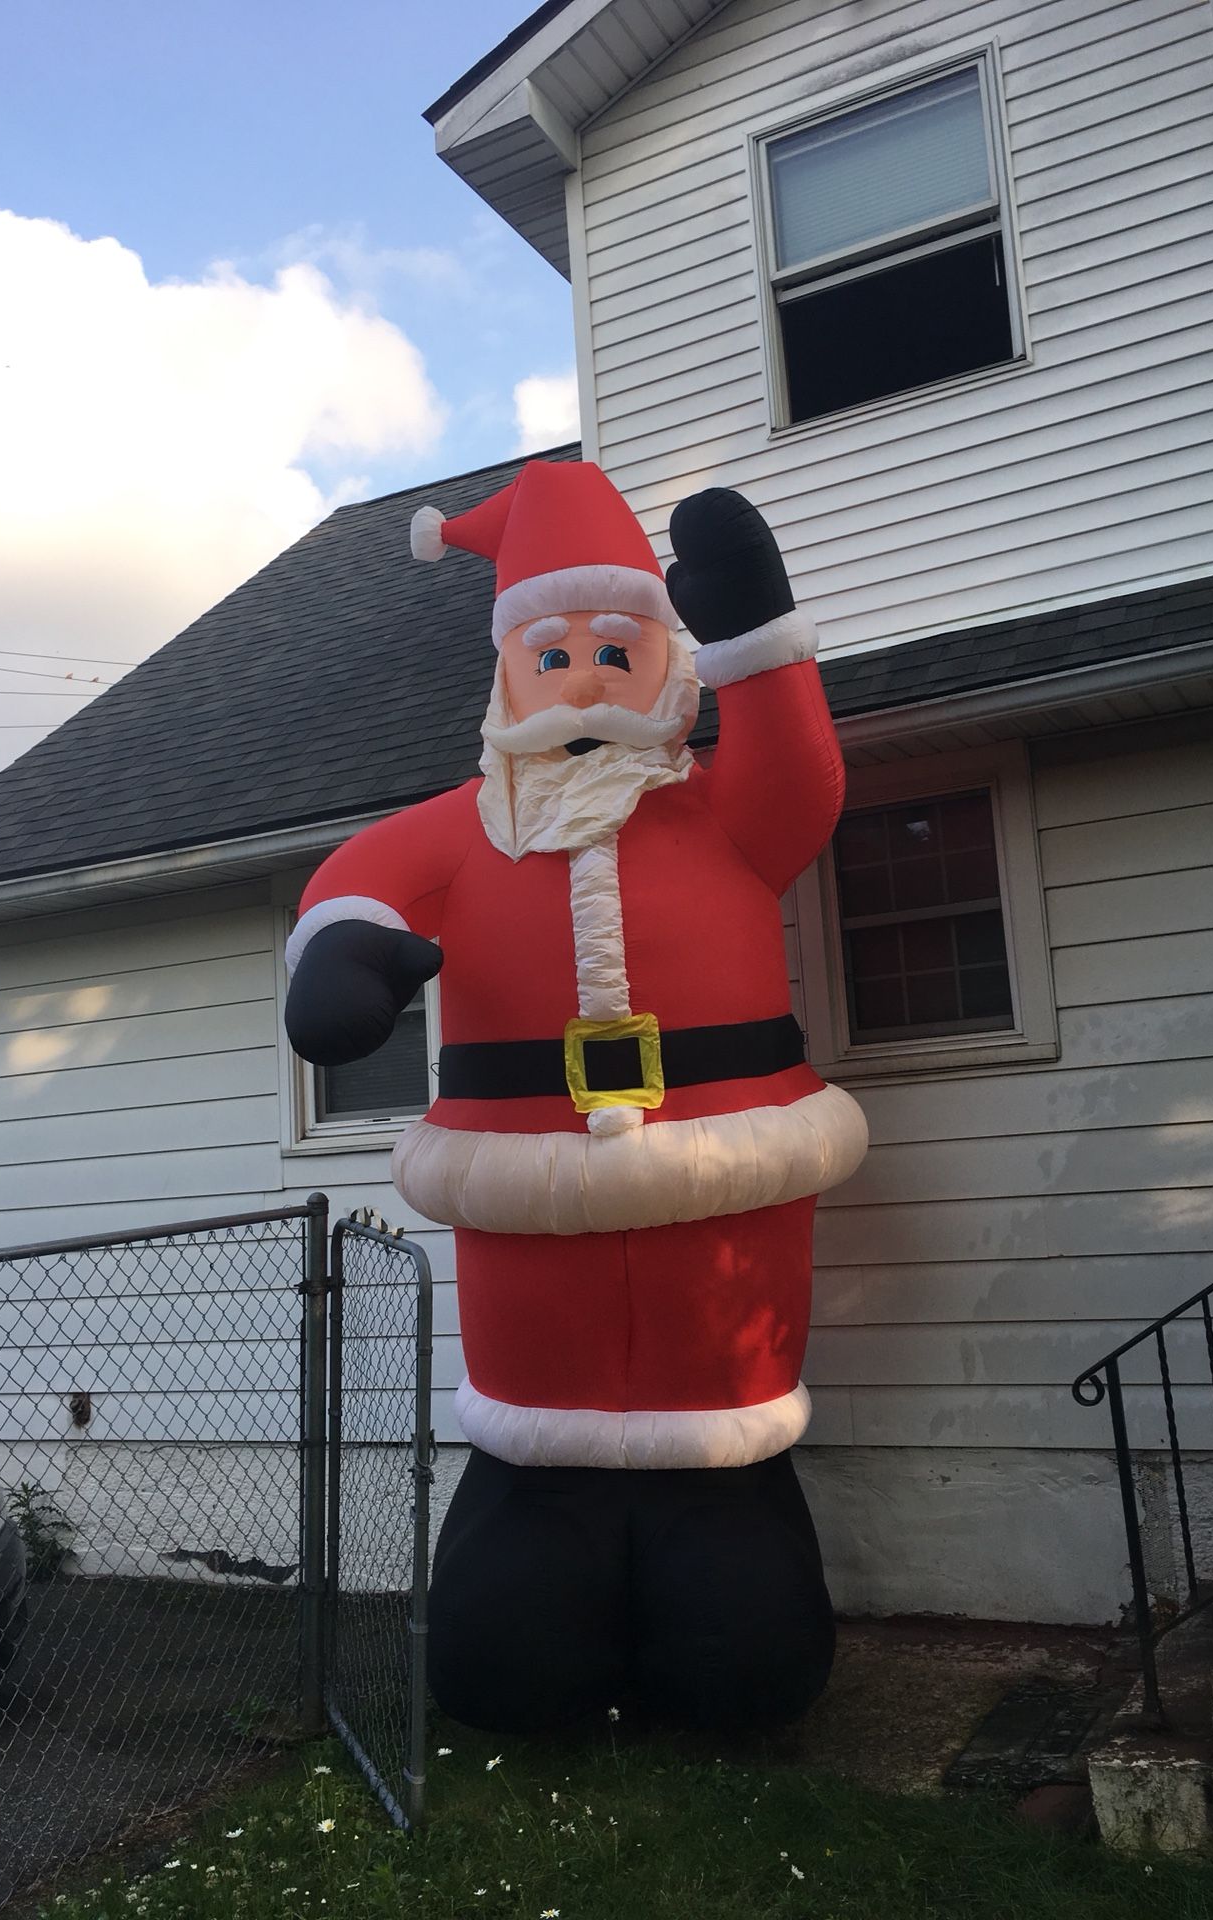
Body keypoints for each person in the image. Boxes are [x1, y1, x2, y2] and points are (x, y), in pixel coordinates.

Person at [285, 460, 867, 1731]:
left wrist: (765, 641)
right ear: (506, 674)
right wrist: (344, 957)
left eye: (618, 646)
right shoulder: (460, 829)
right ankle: (526, 1644)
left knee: (727, 1465)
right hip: (523, 1200)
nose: (587, 678)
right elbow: (354, 882)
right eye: (554, 656)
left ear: (668, 661)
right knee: (532, 1468)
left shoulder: (721, 816)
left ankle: (735, 1652)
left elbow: (801, 778)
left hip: (728, 1191)